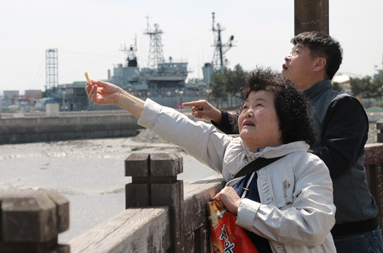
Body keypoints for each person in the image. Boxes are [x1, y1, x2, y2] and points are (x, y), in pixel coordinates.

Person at [87, 68, 337, 252]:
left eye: (259, 105)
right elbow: (180, 127)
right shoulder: (234, 153)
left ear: (286, 119)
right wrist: (121, 97)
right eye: (245, 105)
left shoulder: (307, 165)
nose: (247, 111)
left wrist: (241, 207)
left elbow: (312, 227)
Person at [184, 32, 383, 253]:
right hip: (297, 232)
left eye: (296, 52)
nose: (288, 57)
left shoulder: (342, 105)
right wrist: (220, 117)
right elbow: (268, 131)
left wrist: (276, 154)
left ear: (318, 63)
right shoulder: (286, 110)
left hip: (351, 233)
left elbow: (336, 158)